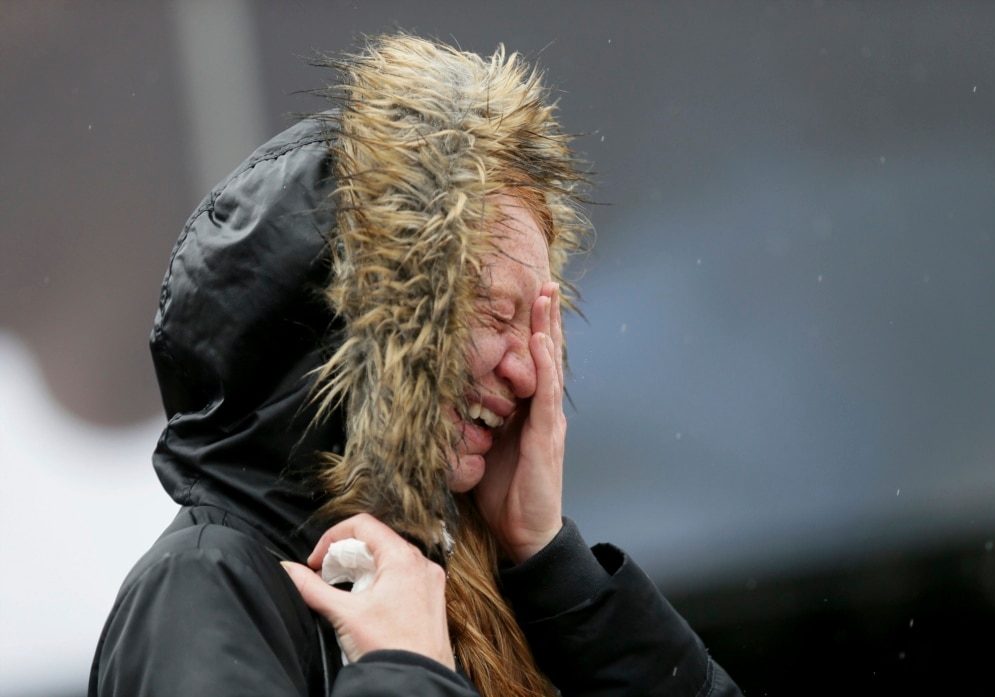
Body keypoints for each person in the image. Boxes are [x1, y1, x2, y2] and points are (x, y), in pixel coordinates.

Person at [88, 34, 743, 697]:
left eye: (539, 327)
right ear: (363, 324)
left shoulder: (453, 590)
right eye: (493, 315)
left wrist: (551, 563)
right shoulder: (204, 582)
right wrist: (406, 670)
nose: (529, 374)